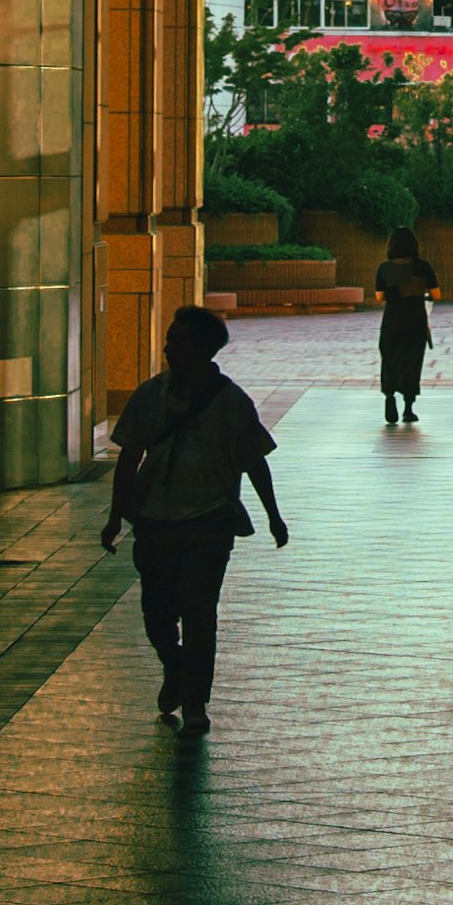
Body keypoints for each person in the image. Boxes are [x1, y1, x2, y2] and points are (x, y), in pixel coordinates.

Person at [102, 299, 287, 735]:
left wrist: (274, 516)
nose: (167, 348)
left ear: (203, 348)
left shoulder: (230, 402)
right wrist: (116, 516)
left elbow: (254, 460)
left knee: (200, 611)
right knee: (156, 612)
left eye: (176, 341)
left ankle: (196, 701)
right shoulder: (151, 395)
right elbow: (129, 458)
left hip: (210, 518)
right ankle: (178, 667)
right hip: (155, 519)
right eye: (168, 340)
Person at [374, 224, 433, 428]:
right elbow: (437, 294)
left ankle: (389, 396)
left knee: (390, 359)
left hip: (392, 319)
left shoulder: (384, 267)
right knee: (412, 361)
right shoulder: (423, 267)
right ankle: (409, 408)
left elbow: (379, 296)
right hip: (416, 319)